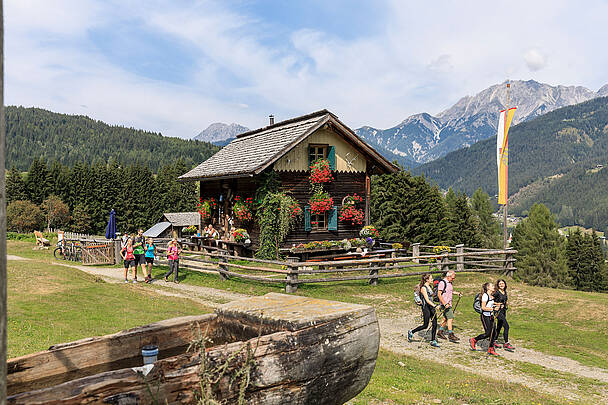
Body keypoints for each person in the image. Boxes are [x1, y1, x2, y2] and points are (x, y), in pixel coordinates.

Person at [470, 282, 502, 356]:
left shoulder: (491, 295)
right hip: (485, 316)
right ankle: (474, 339)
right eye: (492, 286)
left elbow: (490, 303)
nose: (493, 287)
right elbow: (483, 307)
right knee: (488, 333)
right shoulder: (485, 295)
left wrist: (498, 305)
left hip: (491, 316)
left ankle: (491, 349)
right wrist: (493, 309)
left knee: (494, 333)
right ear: (488, 288)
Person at [408, 274, 440, 347]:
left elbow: (432, 298)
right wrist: (435, 306)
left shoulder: (430, 286)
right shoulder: (423, 288)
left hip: (431, 306)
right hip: (426, 307)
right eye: (431, 278)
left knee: (435, 323)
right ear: (427, 280)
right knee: (425, 325)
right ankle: (411, 332)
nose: (432, 279)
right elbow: (427, 300)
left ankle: (433, 340)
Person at [436, 270, 462, 343]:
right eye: (453, 278)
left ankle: (440, 332)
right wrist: (444, 304)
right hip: (445, 304)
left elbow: (450, 291)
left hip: (448, 304)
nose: (453, 279)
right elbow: (439, 294)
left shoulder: (450, 283)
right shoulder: (442, 283)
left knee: (445, 318)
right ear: (448, 276)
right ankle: (451, 334)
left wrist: (457, 293)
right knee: (450, 318)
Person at [493, 279, 514, 351]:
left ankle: (494, 340)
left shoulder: (505, 292)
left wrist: (506, 303)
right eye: (500, 284)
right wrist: (498, 304)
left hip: (503, 311)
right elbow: (491, 301)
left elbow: (505, 300)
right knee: (506, 326)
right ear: (498, 285)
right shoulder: (496, 293)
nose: (502, 285)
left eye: (503, 283)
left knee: (499, 326)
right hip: (498, 311)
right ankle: (506, 343)